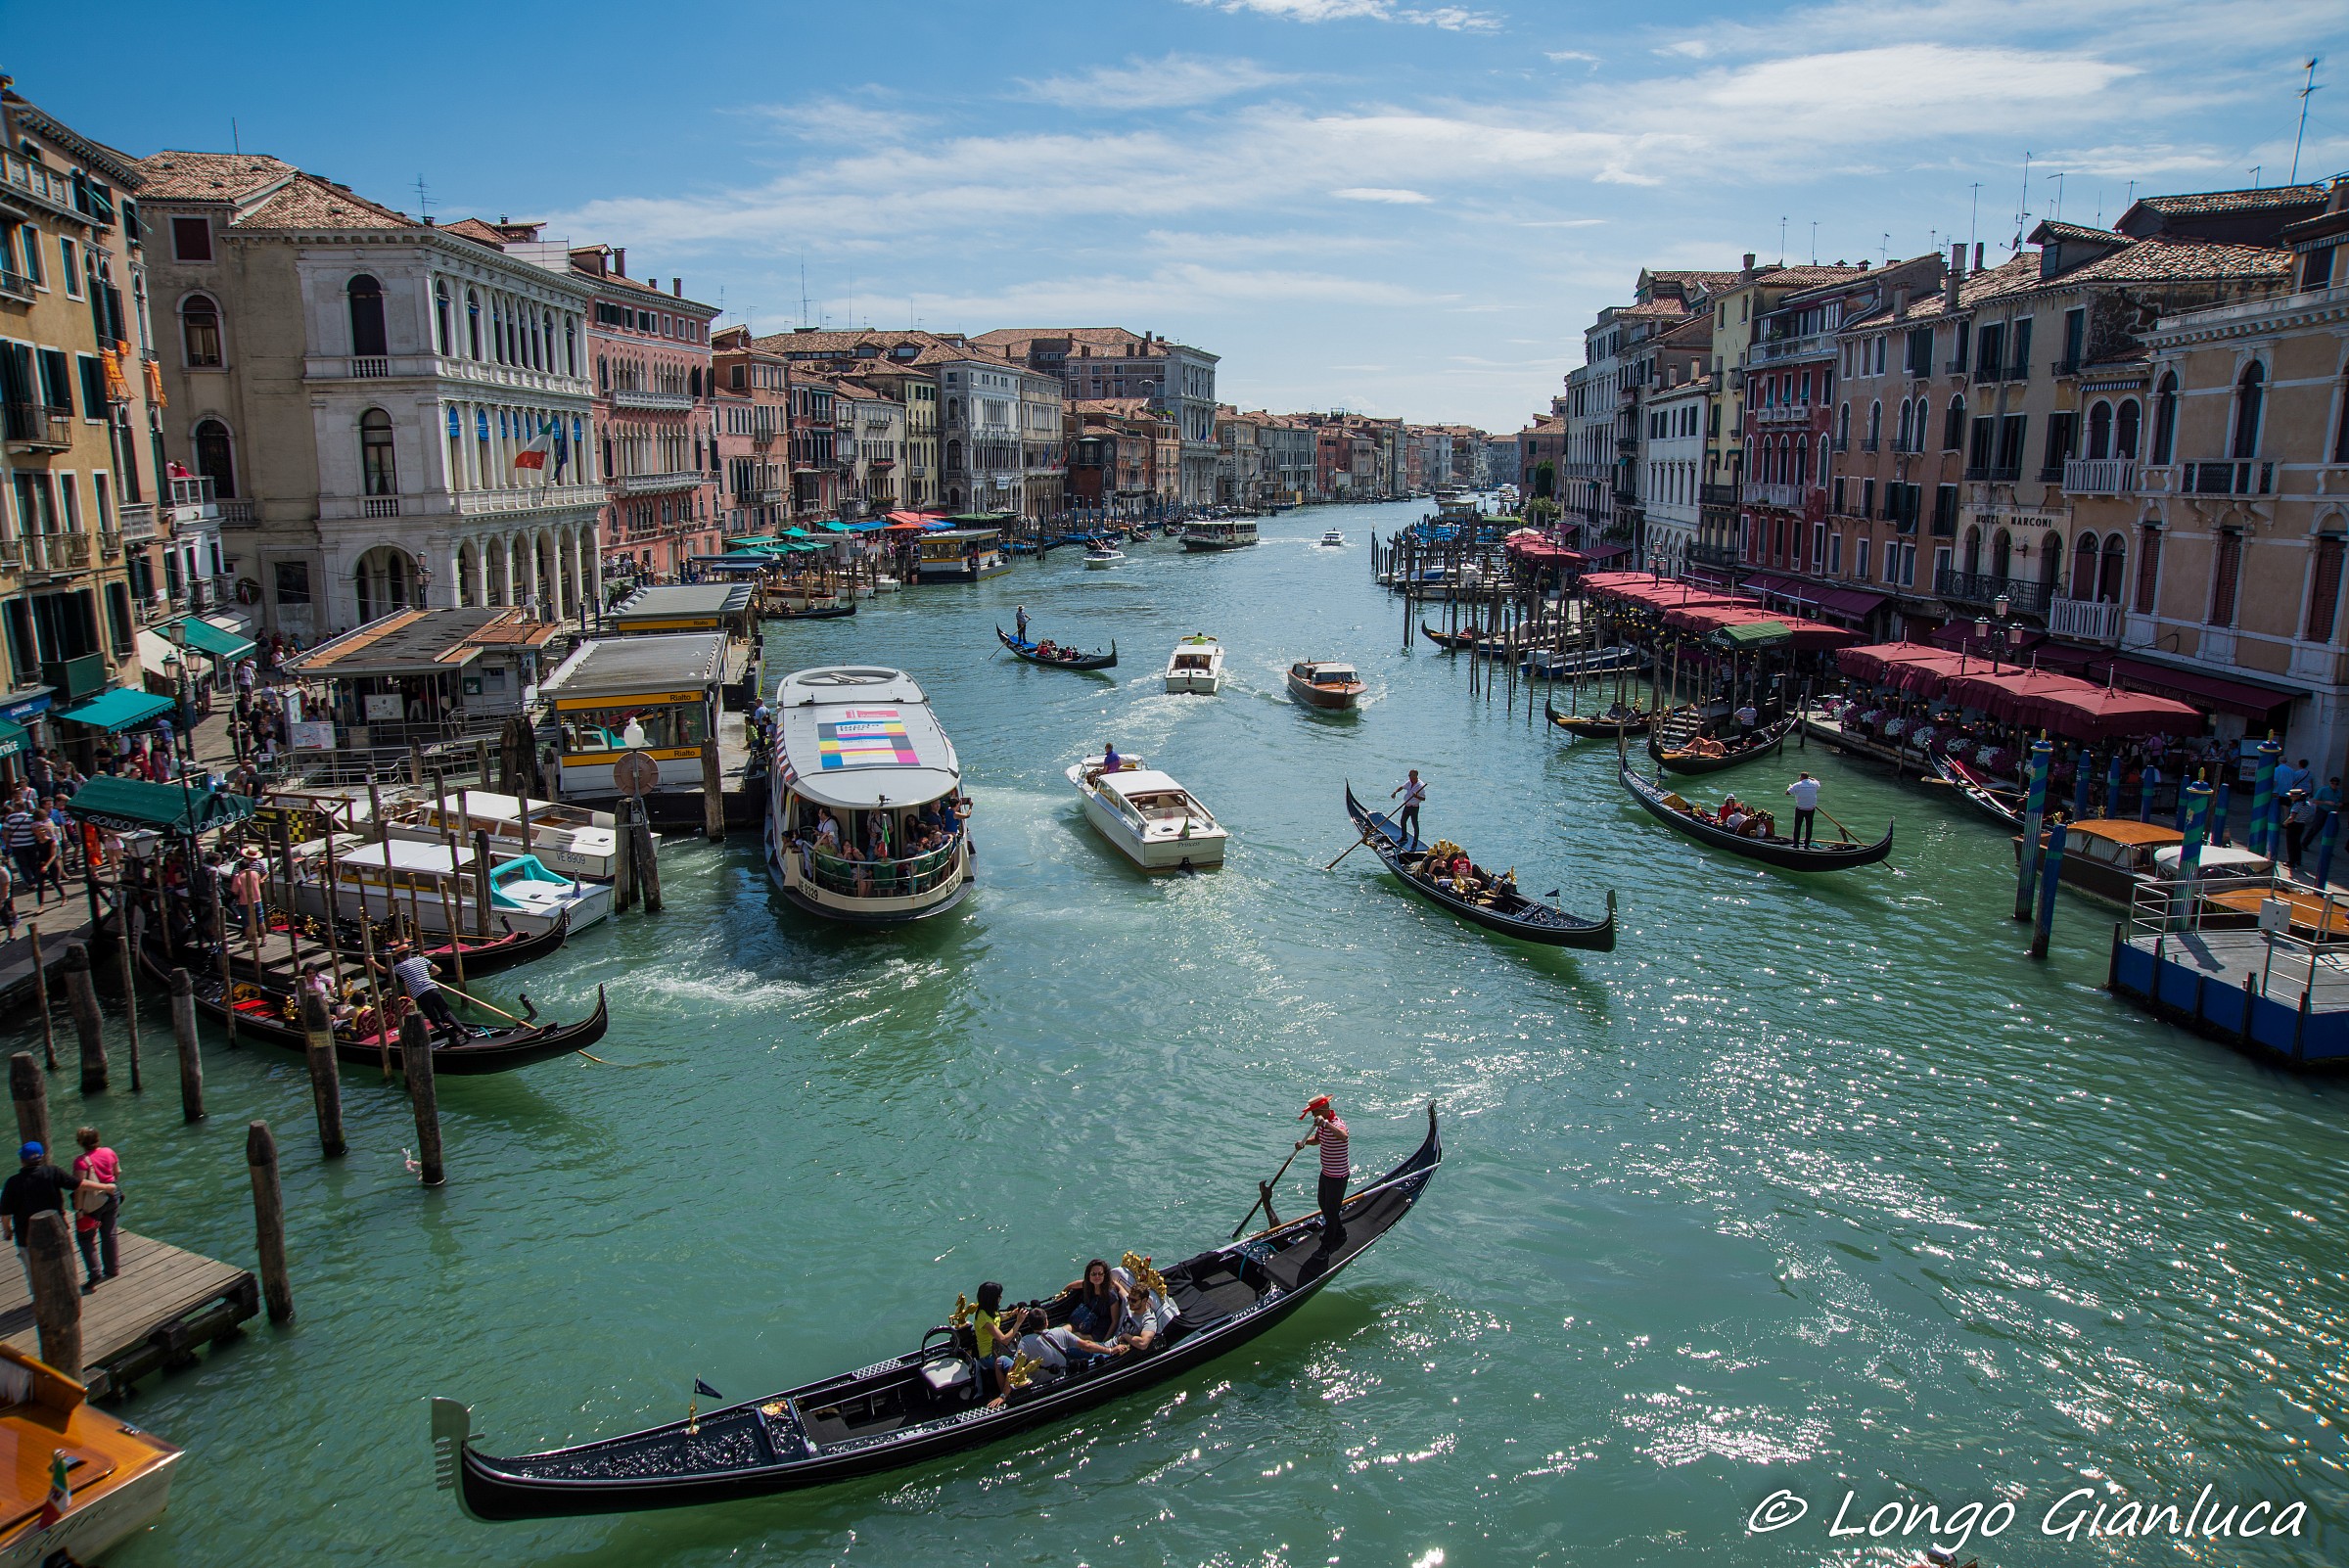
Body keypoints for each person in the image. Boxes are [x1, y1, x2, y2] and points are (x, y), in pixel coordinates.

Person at [1, 1142, 74, 1294]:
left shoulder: (13, 1183)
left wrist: (7, 1231)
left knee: (33, 1272)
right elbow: (77, 1184)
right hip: (56, 1231)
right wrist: (106, 1187)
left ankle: (39, 1299)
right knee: (61, 1264)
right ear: (42, 1157)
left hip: (27, 1236)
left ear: (22, 1160)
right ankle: (66, 1293)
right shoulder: (53, 1172)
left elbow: (6, 1214)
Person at [971, 1280, 1043, 1407]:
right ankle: (1005, 1394)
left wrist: (1012, 1314)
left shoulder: (987, 1310)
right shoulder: (984, 1318)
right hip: (989, 1356)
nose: (1001, 1297)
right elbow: (1004, 1339)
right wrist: (1018, 1322)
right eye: (999, 1296)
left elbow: (998, 1316)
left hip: (998, 1350)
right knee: (1018, 1363)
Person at [1296, 1095, 1351, 1246]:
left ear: (1323, 1110)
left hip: (1338, 1176)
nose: (1313, 1115)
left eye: (1314, 1112)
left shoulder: (1337, 1124)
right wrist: (1304, 1142)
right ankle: (1339, 1231)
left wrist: (1326, 1124)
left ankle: (1327, 1244)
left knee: (1332, 1211)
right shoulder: (1321, 1125)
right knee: (1323, 1204)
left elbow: (1343, 1136)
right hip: (1326, 1173)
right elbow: (1318, 1139)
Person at [390, 942, 467, 1047]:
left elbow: (385, 971)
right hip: (433, 989)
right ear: (410, 953)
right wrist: (426, 976)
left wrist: (372, 962)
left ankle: (452, 1037)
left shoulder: (399, 967)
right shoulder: (421, 959)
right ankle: (464, 1030)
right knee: (446, 1013)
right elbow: (438, 970)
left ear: (399, 957)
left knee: (434, 1019)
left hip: (421, 995)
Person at [70, 1127, 120, 1290]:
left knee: (85, 1238)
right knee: (109, 1233)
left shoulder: (81, 1161)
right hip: (112, 1196)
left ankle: (94, 1272)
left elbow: (80, 1187)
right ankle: (112, 1268)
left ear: (80, 1143)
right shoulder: (109, 1152)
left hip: (92, 1204)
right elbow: (116, 1172)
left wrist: (79, 1210)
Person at [2283, 789, 2317, 875]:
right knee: (2297, 843)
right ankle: (2298, 860)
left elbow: (2292, 818)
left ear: (2296, 797)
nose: (2290, 797)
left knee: (2291, 844)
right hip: (2301, 825)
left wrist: (2285, 823)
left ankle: (2291, 861)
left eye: (2291, 796)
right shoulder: (2307, 805)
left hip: (2294, 825)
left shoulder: (2297, 806)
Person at [1785, 771, 1821, 848]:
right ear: (1808, 777)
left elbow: (1787, 793)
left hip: (1800, 809)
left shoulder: (1797, 785)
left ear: (1801, 777)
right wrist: (1811, 778)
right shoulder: (1814, 784)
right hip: (1811, 809)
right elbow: (1817, 782)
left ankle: (1795, 843)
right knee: (1809, 826)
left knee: (1797, 826)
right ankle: (1806, 843)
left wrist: (1790, 787)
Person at [1391, 769, 1427, 844]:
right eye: (1409, 775)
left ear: (1415, 776)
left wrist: (1417, 796)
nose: (1409, 776)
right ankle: (1404, 837)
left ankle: (1415, 841)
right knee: (1403, 821)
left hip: (1414, 807)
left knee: (1414, 824)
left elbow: (1423, 798)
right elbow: (1402, 787)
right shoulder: (1409, 782)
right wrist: (1395, 792)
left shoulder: (1420, 785)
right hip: (1407, 805)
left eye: (1410, 775)